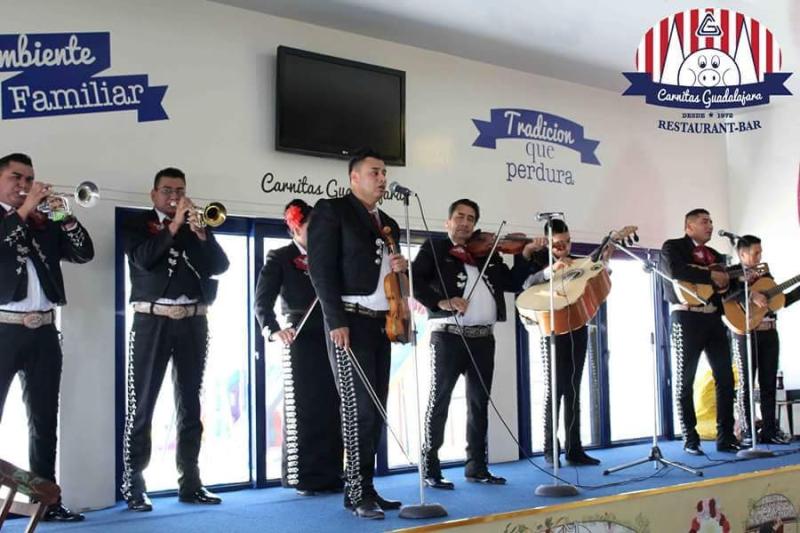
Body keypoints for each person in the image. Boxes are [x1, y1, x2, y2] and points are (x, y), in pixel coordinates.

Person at [412, 199, 542, 489]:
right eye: (459, 216)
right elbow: (413, 281)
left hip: (484, 338)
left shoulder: (487, 254)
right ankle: (430, 467)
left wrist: (525, 255)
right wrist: (440, 302)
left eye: (471, 218)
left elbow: (512, 283)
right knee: (440, 400)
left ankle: (477, 467)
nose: (465, 223)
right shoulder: (434, 248)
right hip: (448, 336)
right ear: (448, 222)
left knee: (479, 403)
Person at [121, 167, 230, 511]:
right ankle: (134, 483)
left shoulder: (194, 226)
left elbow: (219, 266)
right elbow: (143, 260)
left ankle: (191, 481)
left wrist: (200, 234)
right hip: (152, 321)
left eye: (179, 190)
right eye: (167, 190)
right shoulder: (137, 225)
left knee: (190, 405)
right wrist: (173, 226)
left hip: (193, 322)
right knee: (142, 404)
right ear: (154, 194)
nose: (174, 196)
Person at [307, 150, 407, 520]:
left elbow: (392, 281)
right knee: (356, 409)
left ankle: (365, 486)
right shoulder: (332, 210)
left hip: (382, 323)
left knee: (376, 409)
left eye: (384, 172)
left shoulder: (389, 223)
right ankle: (355, 491)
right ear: (354, 178)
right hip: (348, 319)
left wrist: (400, 266)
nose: (382, 178)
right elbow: (320, 270)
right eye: (374, 172)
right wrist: (335, 321)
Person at [0, 152, 93, 521]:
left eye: (30, 179)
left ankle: (46, 502)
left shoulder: (44, 221)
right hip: (3, 328)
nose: (24, 185)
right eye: (16, 178)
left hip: (44, 331)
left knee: (43, 419)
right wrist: (26, 211)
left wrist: (64, 216)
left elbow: (84, 253)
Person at [254, 199, 343, 495]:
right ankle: (304, 476)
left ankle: (332, 473)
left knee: (333, 405)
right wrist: (274, 330)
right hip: (299, 337)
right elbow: (261, 302)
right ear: (295, 227)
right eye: (311, 227)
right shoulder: (279, 256)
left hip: (332, 334)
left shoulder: (330, 257)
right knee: (304, 409)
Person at [516, 219, 604, 466]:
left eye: (566, 243)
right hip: (551, 331)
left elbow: (592, 287)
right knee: (554, 389)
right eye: (556, 245)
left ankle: (574, 449)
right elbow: (524, 285)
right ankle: (549, 448)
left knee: (574, 389)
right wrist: (548, 272)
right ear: (549, 243)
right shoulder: (538, 262)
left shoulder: (579, 263)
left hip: (577, 326)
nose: (562, 248)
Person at [661, 208, 739, 454]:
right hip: (685, 317)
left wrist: (731, 282)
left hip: (714, 318)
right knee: (685, 379)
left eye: (712, 221)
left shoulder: (716, 254)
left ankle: (725, 436)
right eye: (705, 221)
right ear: (689, 226)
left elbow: (724, 288)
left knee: (725, 378)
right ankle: (690, 437)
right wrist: (710, 275)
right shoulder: (672, 247)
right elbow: (676, 272)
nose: (711, 225)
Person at [730, 235, 800, 444]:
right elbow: (725, 296)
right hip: (745, 333)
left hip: (770, 331)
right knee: (746, 385)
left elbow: (779, 301)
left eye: (761, 252)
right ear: (742, 254)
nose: (760, 256)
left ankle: (769, 430)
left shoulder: (763, 272)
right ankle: (747, 431)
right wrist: (750, 297)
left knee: (769, 384)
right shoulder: (731, 273)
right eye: (755, 253)